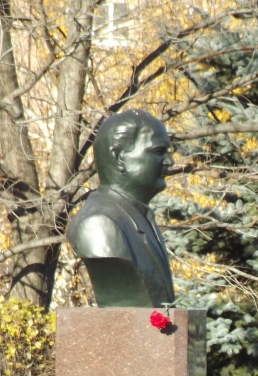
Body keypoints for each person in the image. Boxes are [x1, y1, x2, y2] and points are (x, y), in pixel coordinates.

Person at [67, 109, 176, 307]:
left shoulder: (143, 218)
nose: (170, 161)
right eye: (158, 152)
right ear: (119, 157)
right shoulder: (99, 224)